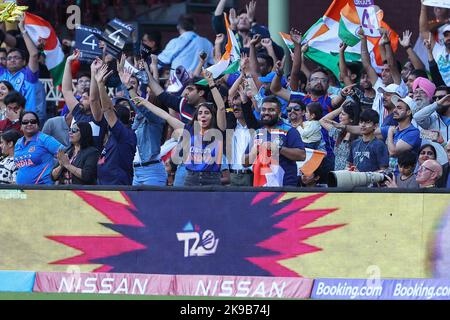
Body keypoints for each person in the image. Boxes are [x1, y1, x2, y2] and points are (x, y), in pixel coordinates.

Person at [133, 71, 226, 187]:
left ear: (212, 116)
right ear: (196, 117)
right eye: (200, 113)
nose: (203, 115)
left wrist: (211, 83)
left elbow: (221, 108)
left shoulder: (218, 130)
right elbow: (165, 116)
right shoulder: (190, 130)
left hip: (212, 180)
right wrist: (145, 103)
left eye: (207, 113)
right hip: (191, 179)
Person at [91, 62, 137, 186]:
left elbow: (107, 110)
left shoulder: (124, 134)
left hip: (118, 189)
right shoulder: (114, 134)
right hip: (106, 187)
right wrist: (94, 75)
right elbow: (94, 102)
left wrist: (101, 84)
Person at [246, 96, 306, 187]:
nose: (266, 112)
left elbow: (302, 155)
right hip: (262, 188)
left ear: (279, 113)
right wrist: (255, 150)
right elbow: (245, 163)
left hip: (285, 187)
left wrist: (278, 148)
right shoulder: (257, 133)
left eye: (271, 110)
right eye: (264, 109)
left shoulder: (289, 131)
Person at [62, 51, 107, 150]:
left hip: (92, 161)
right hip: (75, 157)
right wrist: (68, 61)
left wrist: (93, 71)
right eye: (81, 97)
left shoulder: (98, 118)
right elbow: (66, 91)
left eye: (85, 98)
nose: (80, 100)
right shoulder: (78, 112)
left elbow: (94, 99)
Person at [0, 15, 40, 114]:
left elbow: (34, 54)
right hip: (3, 120)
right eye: (9, 58)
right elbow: (2, 35)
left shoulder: (28, 75)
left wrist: (22, 29)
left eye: (16, 57)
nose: (12, 60)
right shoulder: (2, 73)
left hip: (25, 121)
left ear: (24, 62)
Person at [14, 111, 63, 185]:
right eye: (25, 122)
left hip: (42, 189)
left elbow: (67, 152)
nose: (29, 124)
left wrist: (56, 172)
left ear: (38, 124)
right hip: (22, 191)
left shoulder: (45, 139)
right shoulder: (18, 142)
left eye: (33, 121)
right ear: (20, 126)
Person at [320, 101, 360, 170]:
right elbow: (322, 121)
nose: (340, 116)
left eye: (343, 114)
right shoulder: (339, 132)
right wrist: (340, 108)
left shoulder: (359, 137)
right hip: (337, 175)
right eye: (340, 113)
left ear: (351, 119)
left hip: (351, 176)